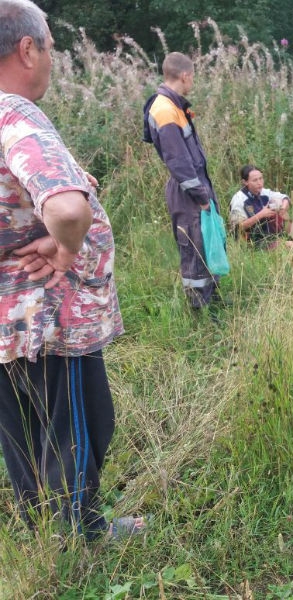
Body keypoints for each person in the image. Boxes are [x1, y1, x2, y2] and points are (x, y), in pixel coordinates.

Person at [0, 0, 142, 540]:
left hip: (8, 323)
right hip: (51, 316)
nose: (53, 59)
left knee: (22, 433)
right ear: (27, 49)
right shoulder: (14, 116)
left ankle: (43, 534)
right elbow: (66, 209)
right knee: (77, 427)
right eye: (51, 47)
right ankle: (81, 537)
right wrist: (65, 248)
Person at [143, 51, 225, 309]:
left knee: (209, 241)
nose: (193, 82)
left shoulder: (174, 106)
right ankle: (199, 311)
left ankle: (213, 301)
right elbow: (178, 161)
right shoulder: (165, 110)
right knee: (194, 247)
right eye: (193, 77)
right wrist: (200, 196)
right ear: (185, 75)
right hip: (188, 191)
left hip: (197, 185)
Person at [229, 165, 291, 248]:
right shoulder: (239, 200)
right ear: (245, 182)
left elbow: (285, 197)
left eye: (261, 178)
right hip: (251, 241)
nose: (259, 183)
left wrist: (283, 208)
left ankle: (289, 237)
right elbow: (237, 228)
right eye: (255, 180)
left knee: (280, 206)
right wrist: (261, 215)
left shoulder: (264, 192)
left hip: (268, 234)